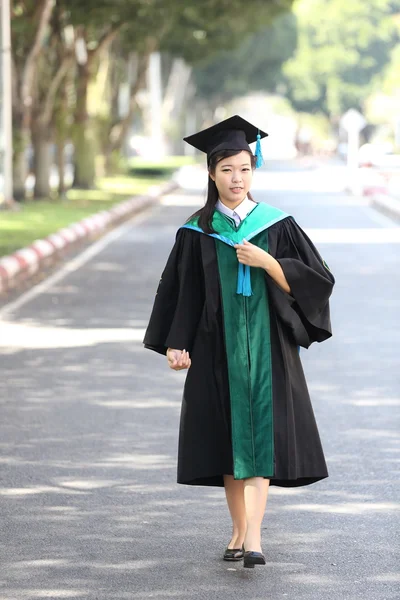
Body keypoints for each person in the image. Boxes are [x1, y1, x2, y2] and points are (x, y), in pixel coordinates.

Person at [143, 115, 335, 569]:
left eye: (244, 169)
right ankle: (237, 530)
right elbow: (182, 292)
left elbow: (319, 283)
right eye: (227, 169)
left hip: (269, 348)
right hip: (215, 349)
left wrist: (269, 262)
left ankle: (254, 538)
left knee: (260, 437)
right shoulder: (196, 231)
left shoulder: (277, 226)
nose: (236, 178)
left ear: (254, 171)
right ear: (211, 173)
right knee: (231, 441)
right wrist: (176, 343)